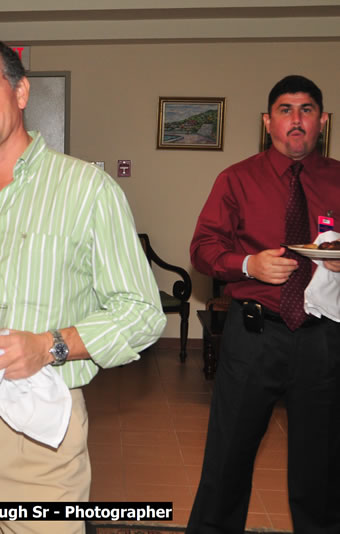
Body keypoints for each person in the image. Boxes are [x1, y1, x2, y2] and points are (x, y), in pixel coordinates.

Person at [0, 36, 166, 534]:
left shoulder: (86, 191)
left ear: (20, 92)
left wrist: (49, 346)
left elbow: (142, 312)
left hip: (36, 436)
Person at [187, 74, 340, 534]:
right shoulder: (236, 179)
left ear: (323, 121)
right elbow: (202, 249)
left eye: (307, 110)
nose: (297, 120)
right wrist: (249, 264)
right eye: (286, 110)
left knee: (322, 468)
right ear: (268, 122)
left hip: (322, 340)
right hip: (254, 336)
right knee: (228, 458)